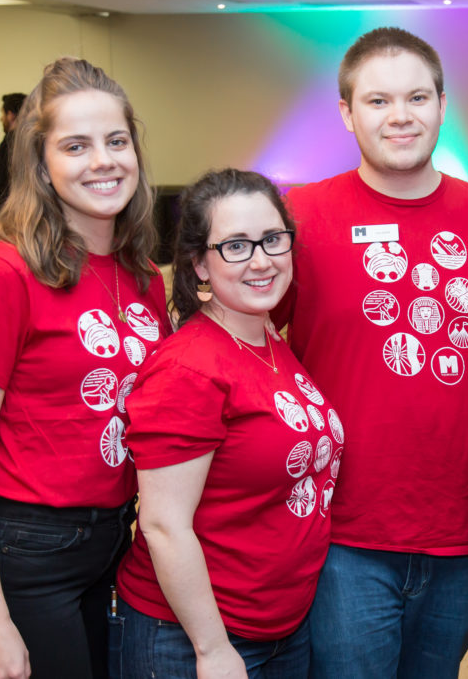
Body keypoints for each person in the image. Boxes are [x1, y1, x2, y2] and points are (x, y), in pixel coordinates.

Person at [274, 26, 468, 678]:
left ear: (443, 104)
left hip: (465, 532)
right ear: (346, 113)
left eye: (417, 97)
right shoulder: (300, 218)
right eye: (377, 101)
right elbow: (245, 345)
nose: (400, 116)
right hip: (343, 533)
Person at [0, 57, 168, 679]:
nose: (104, 160)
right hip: (26, 553)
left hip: (109, 541)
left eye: (117, 141)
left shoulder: (140, 276)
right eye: (76, 145)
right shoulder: (3, 275)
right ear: (40, 164)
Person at [112, 169, 336, 678]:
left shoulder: (269, 340)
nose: (261, 261)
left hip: (280, 629)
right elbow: (164, 524)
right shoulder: (188, 368)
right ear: (199, 265)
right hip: (194, 637)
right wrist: (212, 649)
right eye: (235, 245)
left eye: (273, 239)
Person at [0, 92, 26, 203]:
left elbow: (4, 185)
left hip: (14, 208)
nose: (1, 119)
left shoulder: (8, 143)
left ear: (10, 115)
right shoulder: (37, 140)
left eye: (2, 114)